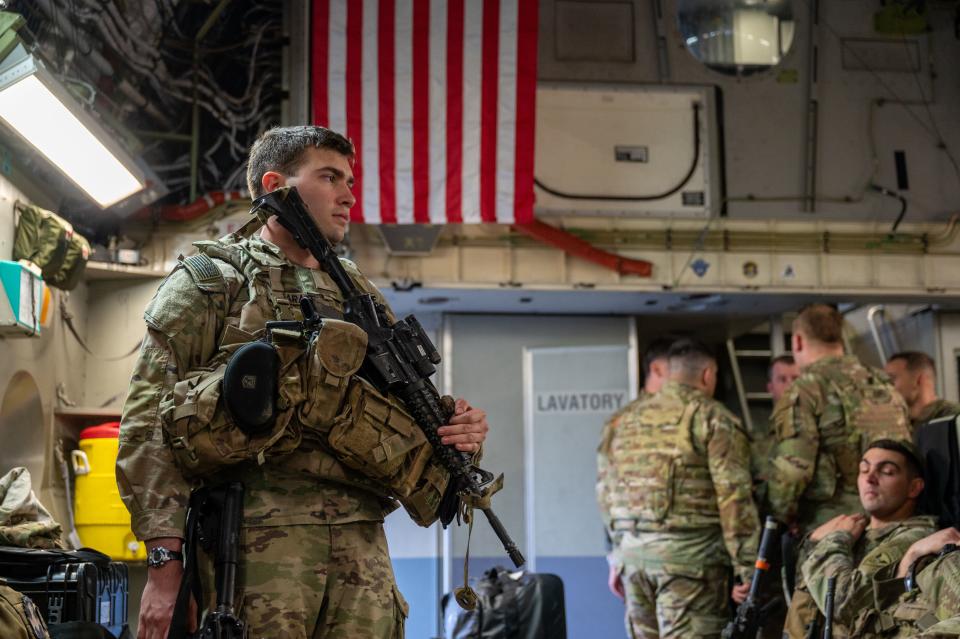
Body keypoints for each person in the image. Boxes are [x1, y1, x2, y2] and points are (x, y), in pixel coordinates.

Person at [116, 126, 490, 639]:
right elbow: (146, 425)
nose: (349, 195)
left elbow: (403, 410)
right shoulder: (213, 279)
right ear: (277, 185)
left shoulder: (360, 296)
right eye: (330, 177)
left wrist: (458, 431)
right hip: (255, 542)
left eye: (351, 181)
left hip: (362, 544)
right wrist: (164, 566)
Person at [597, 339, 759, 639]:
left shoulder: (622, 420)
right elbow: (734, 497)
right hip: (691, 567)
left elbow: (605, 491)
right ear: (707, 374)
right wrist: (749, 568)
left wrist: (616, 556)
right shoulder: (712, 418)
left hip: (633, 562)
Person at [765, 303, 912, 532]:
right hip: (892, 523)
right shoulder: (882, 383)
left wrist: (777, 519)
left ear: (798, 341)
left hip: (834, 528)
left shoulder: (806, 389)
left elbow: (793, 471)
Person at [784, 440, 935, 638]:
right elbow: (807, 592)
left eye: (887, 471)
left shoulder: (915, 538)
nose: (870, 478)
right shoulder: (857, 528)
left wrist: (832, 541)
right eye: (864, 469)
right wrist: (813, 542)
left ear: (914, 488)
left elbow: (841, 603)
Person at [751, 354, 800, 481]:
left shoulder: (818, 428)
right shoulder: (757, 438)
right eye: (782, 379)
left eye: (795, 378)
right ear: (770, 388)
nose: (790, 385)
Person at [884, 351, 960, 431]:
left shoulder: (953, 417)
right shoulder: (900, 424)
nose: (885, 387)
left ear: (919, 380)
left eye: (892, 379)